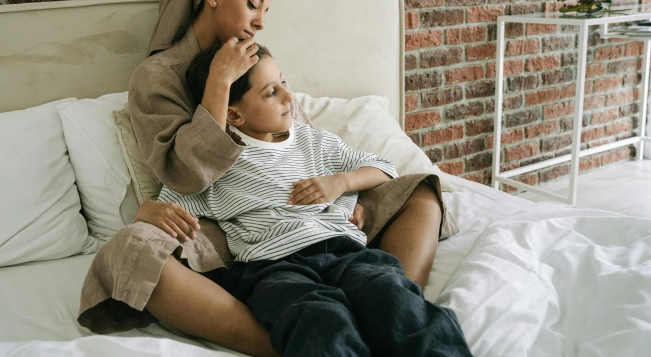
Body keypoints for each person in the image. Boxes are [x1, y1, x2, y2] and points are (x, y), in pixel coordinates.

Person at [77, 0, 459, 357]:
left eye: (265, 12)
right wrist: (218, 84)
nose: (259, 23)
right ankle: (288, 341)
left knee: (420, 189)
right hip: (227, 223)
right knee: (135, 250)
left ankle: (391, 307)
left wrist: (339, 192)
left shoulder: (255, 61)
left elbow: (295, 141)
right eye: (252, 5)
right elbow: (184, 177)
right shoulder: (158, 76)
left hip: (314, 216)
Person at [154, 43, 471, 356]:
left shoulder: (313, 140)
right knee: (319, 321)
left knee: (395, 298)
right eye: (271, 92)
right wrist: (147, 211)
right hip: (272, 268)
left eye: (284, 82)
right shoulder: (213, 163)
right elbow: (170, 201)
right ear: (234, 113)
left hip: (343, 251)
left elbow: (383, 168)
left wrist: (341, 183)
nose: (288, 97)